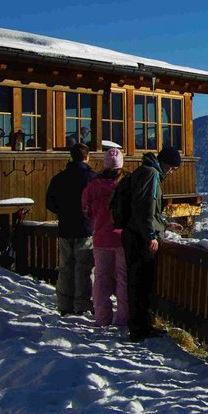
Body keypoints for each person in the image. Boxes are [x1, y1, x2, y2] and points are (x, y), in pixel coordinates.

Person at [122, 146, 183, 343]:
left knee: (137, 282)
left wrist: (164, 224)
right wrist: (151, 235)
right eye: (173, 168)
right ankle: (140, 329)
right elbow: (145, 208)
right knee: (141, 282)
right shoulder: (151, 175)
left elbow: (148, 211)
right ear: (166, 164)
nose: (172, 172)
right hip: (140, 239)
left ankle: (142, 326)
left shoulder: (144, 171)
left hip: (133, 235)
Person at [46, 143, 96, 316]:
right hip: (85, 228)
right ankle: (82, 304)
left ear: (71, 157)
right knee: (84, 268)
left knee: (66, 267)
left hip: (65, 227)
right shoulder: (92, 178)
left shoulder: (59, 178)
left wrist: (63, 211)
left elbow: (50, 203)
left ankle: (65, 303)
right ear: (86, 157)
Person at [82, 148, 128, 328]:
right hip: (122, 238)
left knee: (101, 278)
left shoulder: (93, 186)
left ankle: (102, 318)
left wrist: (96, 221)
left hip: (101, 237)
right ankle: (124, 319)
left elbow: (85, 209)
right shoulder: (125, 184)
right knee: (123, 279)